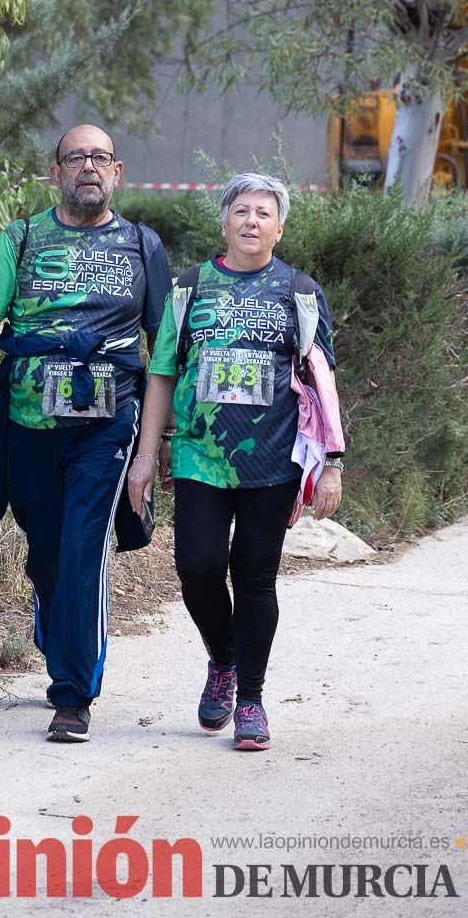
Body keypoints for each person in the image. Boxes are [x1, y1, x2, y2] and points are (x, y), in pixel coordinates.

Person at [0, 125, 172, 743]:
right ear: (55, 173)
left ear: (118, 171)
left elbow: (163, 351)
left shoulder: (142, 245)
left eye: (100, 157)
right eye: (75, 157)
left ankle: (73, 694)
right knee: (49, 555)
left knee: (84, 551)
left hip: (108, 424)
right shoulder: (21, 238)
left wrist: (157, 442)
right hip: (27, 421)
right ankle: (55, 631)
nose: (88, 166)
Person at [128, 172, 344, 752]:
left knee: (255, 578)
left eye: (264, 212)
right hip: (200, 457)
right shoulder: (191, 287)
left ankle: (249, 697)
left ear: (280, 226)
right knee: (197, 567)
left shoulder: (299, 291)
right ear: (223, 222)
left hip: (274, 463)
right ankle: (222, 658)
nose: (252, 221)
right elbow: (163, 374)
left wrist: (331, 462)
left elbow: (321, 381)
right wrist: (146, 457)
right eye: (241, 210)